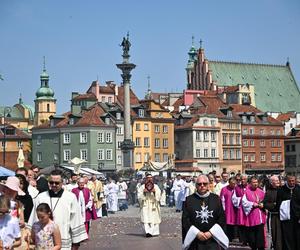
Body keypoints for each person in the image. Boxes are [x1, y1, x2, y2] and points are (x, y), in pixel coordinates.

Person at [28, 169, 87, 250]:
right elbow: (34, 218)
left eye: (57, 183)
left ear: (62, 182)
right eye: (51, 182)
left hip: (64, 238)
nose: (54, 185)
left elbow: (75, 219)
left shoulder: (70, 197)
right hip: (43, 242)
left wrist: (76, 242)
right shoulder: (41, 197)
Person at [182, 174, 227, 250]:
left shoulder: (216, 199)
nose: (202, 186)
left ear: (209, 185)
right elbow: (185, 219)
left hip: (212, 238)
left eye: (205, 184)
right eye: (199, 184)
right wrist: (197, 233)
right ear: (196, 185)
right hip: (195, 239)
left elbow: (221, 218)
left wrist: (211, 233)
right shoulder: (189, 200)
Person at [276, 174, 300, 250]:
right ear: (287, 181)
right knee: (287, 236)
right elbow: (278, 203)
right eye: (290, 181)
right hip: (286, 217)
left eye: (293, 181)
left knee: (297, 235)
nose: (292, 182)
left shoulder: (298, 189)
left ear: (295, 181)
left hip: (297, 216)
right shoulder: (281, 190)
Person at [242, 176, 266, 250]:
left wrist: (263, 205)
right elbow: (244, 202)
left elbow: (266, 201)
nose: (255, 184)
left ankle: (261, 247)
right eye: (253, 182)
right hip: (252, 217)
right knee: (252, 238)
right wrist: (252, 204)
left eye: (256, 182)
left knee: (260, 236)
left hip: (260, 217)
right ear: (250, 183)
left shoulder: (261, 192)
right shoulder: (246, 192)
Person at [262, 175, 282, 250]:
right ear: (271, 182)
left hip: (283, 216)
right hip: (274, 216)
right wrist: (273, 205)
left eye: (278, 180)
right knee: (275, 234)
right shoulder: (269, 192)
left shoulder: (281, 190)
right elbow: (265, 204)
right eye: (275, 181)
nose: (277, 182)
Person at [220, 176, 237, 242]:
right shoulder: (224, 189)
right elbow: (222, 200)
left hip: (235, 209)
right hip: (227, 209)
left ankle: (235, 237)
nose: (233, 185)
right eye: (232, 183)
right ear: (229, 183)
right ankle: (227, 237)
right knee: (227, 222)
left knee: (235, 223)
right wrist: (223, 209)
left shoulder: (237, 189)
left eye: (234, 183)